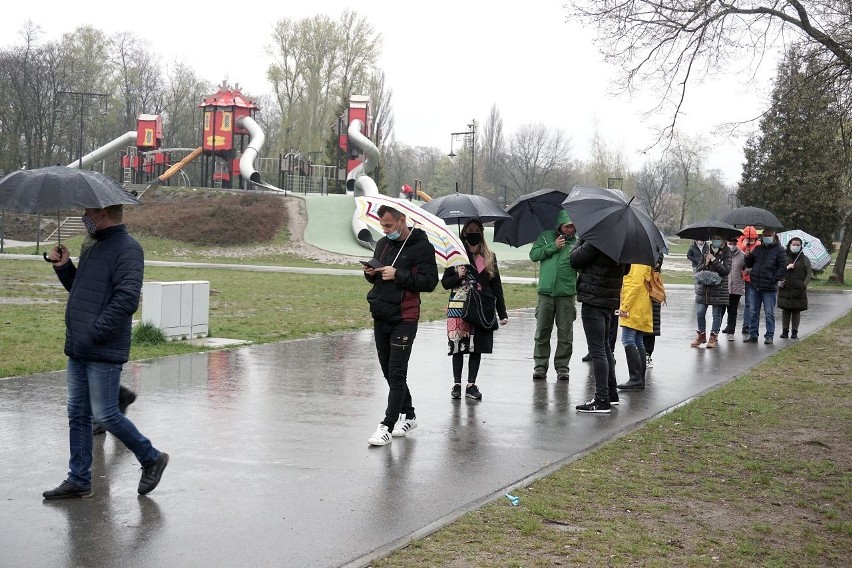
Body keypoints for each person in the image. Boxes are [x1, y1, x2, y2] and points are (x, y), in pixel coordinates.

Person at [42, 205, 169, 500]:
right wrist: (64, 267)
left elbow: (127, 299)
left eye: (89, 211)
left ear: (104, 214)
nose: (85, 216)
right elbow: (82, 291)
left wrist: (96, 332)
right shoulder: (92, 246)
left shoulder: (128, 249)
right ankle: (79, 479)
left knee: (106, 414)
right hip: (79, 346)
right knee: (78, 414)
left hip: (102, 346)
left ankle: (152, 458)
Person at [363, 205, 438, 446]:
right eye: (382, 226)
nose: (385, 230)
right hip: (381, 314)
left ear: (402, 221)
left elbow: (429, 282)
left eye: (389, 225)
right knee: (388, 371)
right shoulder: (383, 244)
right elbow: (377, 278)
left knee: (397, 373)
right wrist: (370, 272)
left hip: (404, 318)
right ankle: (410, 414)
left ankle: (387, 425)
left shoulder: (422, 247)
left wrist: (399, 274)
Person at [441, 219, 509, 400]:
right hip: (459, 307)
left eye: (477, 230)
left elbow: (497, 286)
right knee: (458, 346)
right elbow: (445, 283)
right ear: (464, 233)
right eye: (470, 230)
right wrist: (458, 275)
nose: (473, 233)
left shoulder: (489, 256)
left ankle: (471, 385)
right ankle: (456, 384)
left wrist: (502, 313)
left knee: (476, 347)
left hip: (481, 307)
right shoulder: (455, 256)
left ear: (481, 233)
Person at [570, 240, 630, 413]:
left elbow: (575, 259)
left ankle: (601, 399)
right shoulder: (621, 243)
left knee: (598, 350)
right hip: (609, 299)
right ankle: (611, 394)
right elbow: (626, 269)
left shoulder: (596, 239)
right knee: (604, 347)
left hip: (593, 298)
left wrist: (582, 241)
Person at [529, 210, 578, 381]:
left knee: (565, 334)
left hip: (566, 294)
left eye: (572, 227)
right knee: (542, 332)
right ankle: (540, 367)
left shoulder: (578, 244)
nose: (570, 230)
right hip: (545, 294)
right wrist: (552, 247)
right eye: (567, 226)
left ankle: (563, 368)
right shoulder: (545, 237)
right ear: (559, 226)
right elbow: (533, 255)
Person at [743, 227, 787, 344]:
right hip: (755, 285)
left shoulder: (780, 250)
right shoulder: (757, 249)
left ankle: (769, 335)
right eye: (765, 236)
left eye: (769, 236)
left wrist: (773, 279)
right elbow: (749, 264)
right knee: (753, 312)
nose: (766, 238)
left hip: (769, 287)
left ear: (774, 237)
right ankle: (753, 334)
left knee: (769, 313)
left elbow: (782, 268)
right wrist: (748, 256)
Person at [690, 233, 731, 348]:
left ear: (723, 240)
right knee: (700, 312)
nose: (715, 241)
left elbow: (725, 271)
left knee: (716, 314)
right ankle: (701, 335)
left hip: (719, 288)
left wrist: (714, 260)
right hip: (704, 288)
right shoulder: (706, 251)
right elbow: (698, 269)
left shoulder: (727, 252)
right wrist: (705, 263)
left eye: (718, 239)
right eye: (713, 239)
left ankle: (713, 336)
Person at [615, 263, 652, 391]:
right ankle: (639, 379)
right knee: (638, 340)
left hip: (634, 305)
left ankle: (636, 379)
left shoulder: (637, 260)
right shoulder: (642, 257)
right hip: (639, 303)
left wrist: (625, 306)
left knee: (627, 339)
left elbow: (635, 284)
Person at [778, 237, 813, 339]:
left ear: (801, 246)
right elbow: (779, 270)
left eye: (798, 245)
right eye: (794, 244)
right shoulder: (784, 257)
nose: (796, 246)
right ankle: (785, 331)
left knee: (796, 311)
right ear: (790, 245)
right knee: (785, 311)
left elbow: (809, 273)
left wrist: (804, 284)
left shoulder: (805, 259)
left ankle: (794, 331)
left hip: (799, 289)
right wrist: (786, 268)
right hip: (785, 287)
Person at [720, 236, 746, 341]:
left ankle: (731, 332)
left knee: (733, 311)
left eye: (734, 243)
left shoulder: (742, 255)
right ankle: (715, 332)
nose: (732, 245)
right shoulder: (722, 254)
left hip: (736, 287)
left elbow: (746, 268)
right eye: (730, 243)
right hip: (723, 287)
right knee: (720, 311)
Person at [642, 255, 665, 368]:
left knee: (652, 327)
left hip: (653, 290)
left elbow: (658, 262)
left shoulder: (656, 247)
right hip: (640, 289)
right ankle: (641, 353)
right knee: (639, 325)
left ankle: (648, 354)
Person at [737, 226, 760, 336]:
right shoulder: (740, 244)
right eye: (748, 238)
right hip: (746, 278)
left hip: (756, 277)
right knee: (748, 303)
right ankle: (745, 325)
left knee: (754, 304)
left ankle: (752, 325)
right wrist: (744, 245)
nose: (750, 241)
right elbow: (737, 255)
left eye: (752, 239)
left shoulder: (758, 246)